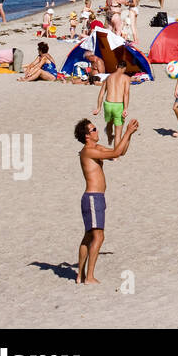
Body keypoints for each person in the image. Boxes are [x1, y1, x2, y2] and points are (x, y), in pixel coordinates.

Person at [75, 115, 139, 284]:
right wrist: (126, 132)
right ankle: (89, 277)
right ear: (87, 136)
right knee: (98, 237)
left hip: (95, 198)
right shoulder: (88, 151)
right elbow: (116, 152)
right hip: (92, 198)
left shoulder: (95, 148)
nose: (97, 131)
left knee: (89, 237)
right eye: (94, 129)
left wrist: (129, 135)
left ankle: (80, 275)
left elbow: (119, 152)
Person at [93, 66, 131, 146]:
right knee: (118, 134)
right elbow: (126, 94)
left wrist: (98, 108)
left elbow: (101, 94)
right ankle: (115, 157)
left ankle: (109, 136)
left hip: (108, 104)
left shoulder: (108, 77)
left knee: (109, 123)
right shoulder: (126, 78)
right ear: (125, 68)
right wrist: (125, 109)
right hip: (119, 105)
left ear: (116, 67)